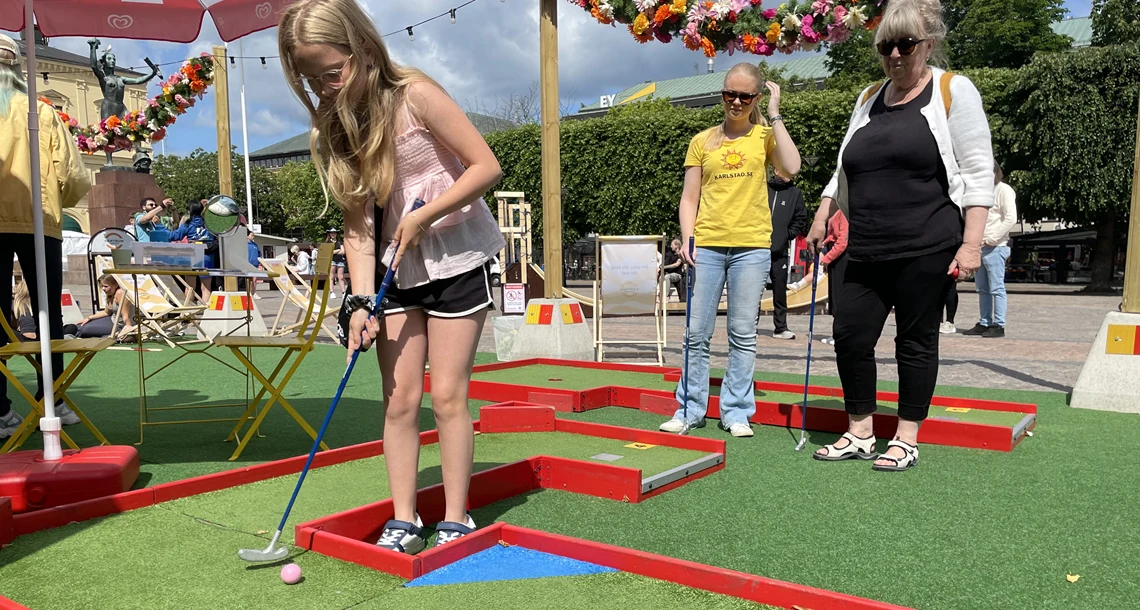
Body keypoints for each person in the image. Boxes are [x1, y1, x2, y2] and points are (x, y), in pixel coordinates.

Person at [280, 0, 506, 553]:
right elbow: (357, 224)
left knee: (449, 396)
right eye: (313, 80)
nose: (327, 88)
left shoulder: (416, 96)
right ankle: (404, 517)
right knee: (399, 399)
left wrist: (423, 214)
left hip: (456, 259)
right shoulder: (331, 130)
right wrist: (359, 302)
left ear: (362, 47)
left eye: (333, 72)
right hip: (392, 273)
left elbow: (486, 166)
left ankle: (456, 514)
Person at [805, 0, 994, 471]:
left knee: (915, 340)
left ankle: (906, 436)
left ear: (927, 45)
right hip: (865, 245)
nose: (895, 54)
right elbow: (843, 165)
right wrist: (823, 211)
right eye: (886, 46)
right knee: (849, 335)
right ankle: (860, 431)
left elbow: (976, 172)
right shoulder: (869, 97)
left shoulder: (953, 90)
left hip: (927, 242)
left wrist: (971, 244)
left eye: (905, 44)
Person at [659, 62, 801, 438]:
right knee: (695, 334)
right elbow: (689, 198)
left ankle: (736, 411)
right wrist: (688, 239)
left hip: (752, 245)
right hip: (706, 244)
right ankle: (689, 409)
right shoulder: (702, 140)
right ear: (721, 93)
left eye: (744, 96)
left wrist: (775, 114)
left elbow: (792, 166)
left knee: (743, 333)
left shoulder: (765, 137)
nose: (735, 102)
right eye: (729, 94)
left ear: (755, 97)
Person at [0, 33, 91, 438]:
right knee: (46, 312)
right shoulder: (41, 111)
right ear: (18, 68)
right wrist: (58, 201)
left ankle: (0, 409)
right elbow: (73, 176)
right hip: (40, 221)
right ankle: (51, 399)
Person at [962, 162, 1016, 338]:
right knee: (982, 288)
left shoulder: (1003, 190)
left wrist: (993, 239)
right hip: (980, 246)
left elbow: (1011, 218)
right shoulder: (981, 192)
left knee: (996, 288)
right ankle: (984, 321)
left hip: (995, 247)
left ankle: (999, 324)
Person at [763, 168, 807, 340]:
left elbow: (800, 218)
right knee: (754, 291)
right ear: (776, 170)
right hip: (757, 247)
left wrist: (785, 236)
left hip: (779, 251)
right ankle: (750, 327)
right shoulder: (763, 188)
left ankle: (780, 328)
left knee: (780, 291)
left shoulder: (795, 193)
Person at [170, 199, 217, 301]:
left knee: (190, 287)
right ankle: (206, 314)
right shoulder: (210, 223)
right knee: (206, 288)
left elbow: (175, 236)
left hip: (192, 256)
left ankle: (189, 313)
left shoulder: (188, 224)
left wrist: (161, 229)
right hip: (207, 257)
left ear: (189, 210)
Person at [818, 211, 848, 346]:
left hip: (841, 258)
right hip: (835, 256)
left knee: (840, 296)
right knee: (835, 296)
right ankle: (837, 333)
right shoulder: (834, 211)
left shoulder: (843, 212)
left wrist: (827, 258)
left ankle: (841, 334)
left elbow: (842, 241)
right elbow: (832, 234)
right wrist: (823, 243)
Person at [328, 228, 347, 299]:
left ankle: (343, 292)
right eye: (331, 233)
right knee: (331, 277)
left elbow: (343, 252)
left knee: (341, 277)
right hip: (332, 260)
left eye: (334, 233)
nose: (333, 234)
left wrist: (335, 251)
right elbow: (329, 252)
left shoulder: (339, 242)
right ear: (329, 234)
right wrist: (338, 250)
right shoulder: (328, 242)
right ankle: (332, 292)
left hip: (340, 261)